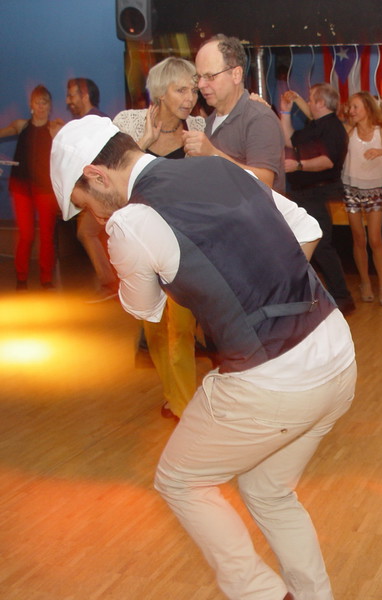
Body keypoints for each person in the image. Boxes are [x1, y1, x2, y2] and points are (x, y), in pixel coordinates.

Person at [50, 115, 357, 600]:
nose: (93, 217)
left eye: (84, 203)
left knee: (179, 481)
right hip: (336, 352)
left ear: (96, 175)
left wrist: (246, 307)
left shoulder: (131, 221)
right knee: (268, 491)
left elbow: (145, 308)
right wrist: (263, 288)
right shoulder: (220, 167)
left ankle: (263, 594)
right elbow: (307, 228)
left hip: (273, 383)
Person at [113, 56, 206, 420]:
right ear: (160, 92)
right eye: (181, 90)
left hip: (183, 244)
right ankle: (174, 395)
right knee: (152, 328)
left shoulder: (198, 127)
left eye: (193, 90)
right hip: (140, 244)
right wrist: (143, 144)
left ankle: (184, 407)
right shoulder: (128, 124)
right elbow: (114, 185)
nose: (190, 98)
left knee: (181, 328)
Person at [280, 85, 356, 315]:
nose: (309, 103)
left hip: (316, 193)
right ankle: (317, 296)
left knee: (321, 246)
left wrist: (299, 165)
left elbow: (327, 161)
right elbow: (290, 140)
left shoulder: (332, 127)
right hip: (304, 192)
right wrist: (285, 111)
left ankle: (342, 297)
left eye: (311, 99)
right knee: (310, 245)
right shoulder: (316, 126)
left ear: (321, 103)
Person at [184, 34, 286, 193]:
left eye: (210, 76)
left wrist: (213, 154)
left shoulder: (259, 118)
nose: (202, 84)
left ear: (236, 75)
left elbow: (265, 183)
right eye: (199, 77)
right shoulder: (210, 121)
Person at [0, 85, 63, 289]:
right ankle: (21, 277)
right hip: (21, 187)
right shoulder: (22, 125)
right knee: (26, 234)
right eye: (38, 102)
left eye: (45, 102)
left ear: (50, 106)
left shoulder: (54, 128)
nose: (41, 106)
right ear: (31, 105)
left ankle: (46, 278)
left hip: (45, 188)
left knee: (46, 234)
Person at [342, 92, 382, 306]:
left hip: (374, 188)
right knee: (359, 238)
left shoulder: (381, 130)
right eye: (350, 107)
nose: (351, 111)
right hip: (351, 188)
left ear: (367, 108)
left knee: (375, 239)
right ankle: (365, 282)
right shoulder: (348, 130)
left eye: (355, 107)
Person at [67, 77, 117, 300]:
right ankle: (113, 282)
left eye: (72, 95)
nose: (68, 101)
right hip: (98, 191)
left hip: (102, 191)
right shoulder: (93, 121)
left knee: (87, 232)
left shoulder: (95, 123)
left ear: (84, 95)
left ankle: (111, 284)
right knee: (98, 233)